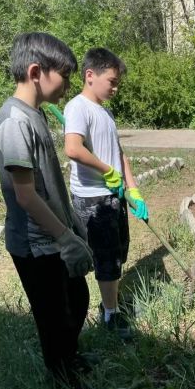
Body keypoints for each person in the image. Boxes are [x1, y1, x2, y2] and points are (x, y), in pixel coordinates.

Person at [0, 33, 94, 389]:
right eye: (64, 76)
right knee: (53, 319)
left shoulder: (34, 114)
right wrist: (65, 238)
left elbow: (47, 183)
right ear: (36, 72)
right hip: (35, 245)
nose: (68, 84)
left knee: (76, 300)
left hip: (53, 235)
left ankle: (70, 359)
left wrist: (72, 224)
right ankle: (64, 385)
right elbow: (25, 195)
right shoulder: (14, 122)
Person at [64, 47, 148, 341]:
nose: (115, 88)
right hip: (93, 199)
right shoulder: (77, 107)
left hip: (114, 194)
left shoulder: (105, 110)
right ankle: (110, 316)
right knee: (106, 258)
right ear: (90, 75)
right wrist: (107, 172)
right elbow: (73, 148)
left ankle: (109, 302)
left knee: (118, 251)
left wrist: (133, 188)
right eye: (112, 81)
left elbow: (119, 153)